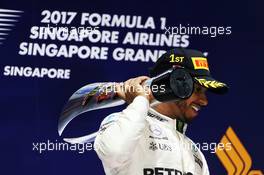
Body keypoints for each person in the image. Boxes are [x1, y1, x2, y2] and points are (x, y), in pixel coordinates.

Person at [94, 48, 228, 175]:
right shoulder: (119, 123)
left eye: (204, 92)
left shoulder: (195, 152)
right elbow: (114, 152)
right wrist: (141, 101)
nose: (204, 101)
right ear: (170, 84)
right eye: (197, 90)